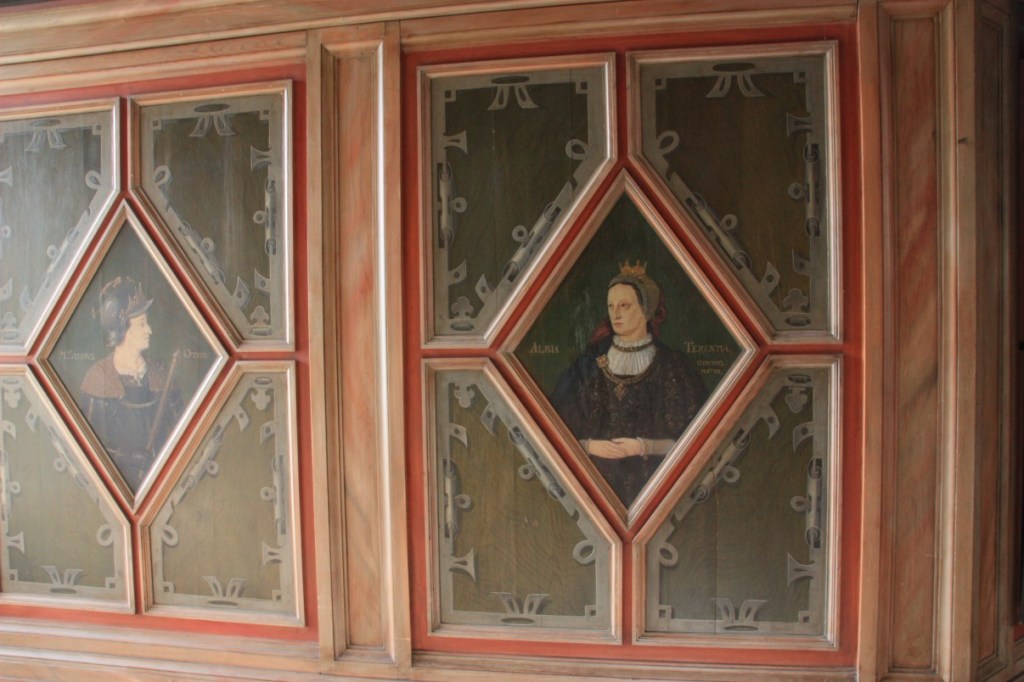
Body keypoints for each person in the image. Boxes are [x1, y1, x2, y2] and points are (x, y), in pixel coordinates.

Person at [551, 262, 707, 507]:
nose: (616, 314)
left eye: (624, 305)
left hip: (657, 487)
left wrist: (643, 446)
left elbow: (697, 442)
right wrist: (589, 446)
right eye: (611, 306)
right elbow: (553, 432)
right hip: (593, 486)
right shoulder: (589, 361)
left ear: (646, 310)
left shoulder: (673, 365)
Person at [80, 277, 182, 492]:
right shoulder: (98, 377)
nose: (149, 330)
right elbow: (86, 446)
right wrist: (125, 458)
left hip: (162, 484)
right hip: (114, 487)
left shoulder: (160, 374)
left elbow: (182, 433)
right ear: (121, 329)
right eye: (142, 324)